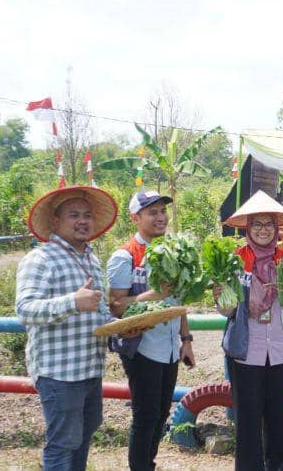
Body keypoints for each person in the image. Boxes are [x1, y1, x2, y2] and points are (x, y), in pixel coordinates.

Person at [15, 186, 119, 470]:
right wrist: (72, 301)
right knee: (62, 443)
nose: (82, 220)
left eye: (87, 215)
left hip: (89, 368)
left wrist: (119, 327)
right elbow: (25, 310)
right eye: (73, 215)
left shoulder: (91, 259)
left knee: (83, 435)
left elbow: (97, 312)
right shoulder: (41, 259)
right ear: (55, 222)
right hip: (59, 372)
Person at [107, 190, 196, 471]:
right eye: (152, 212)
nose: (160, 217)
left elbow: (177, 301)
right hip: (141, 346)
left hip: (170, 346)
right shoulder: (125, 256)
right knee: (145, 415)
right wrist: (153, 295)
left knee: (161, 414)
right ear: (136, 218)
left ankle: (149, 464)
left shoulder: (173, 249)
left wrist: (186, 339)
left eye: (162, 211)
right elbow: (116, 306)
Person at [216, 191, 283, 471]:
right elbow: (227, 312)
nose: (263, 230)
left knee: (281, 419)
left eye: (268, 225)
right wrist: (222, 296)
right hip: (246, 352)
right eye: (257, 225)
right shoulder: (235, 261)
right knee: (248, 421)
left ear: (276, 229)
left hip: (279, 350)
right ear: (248, 228)